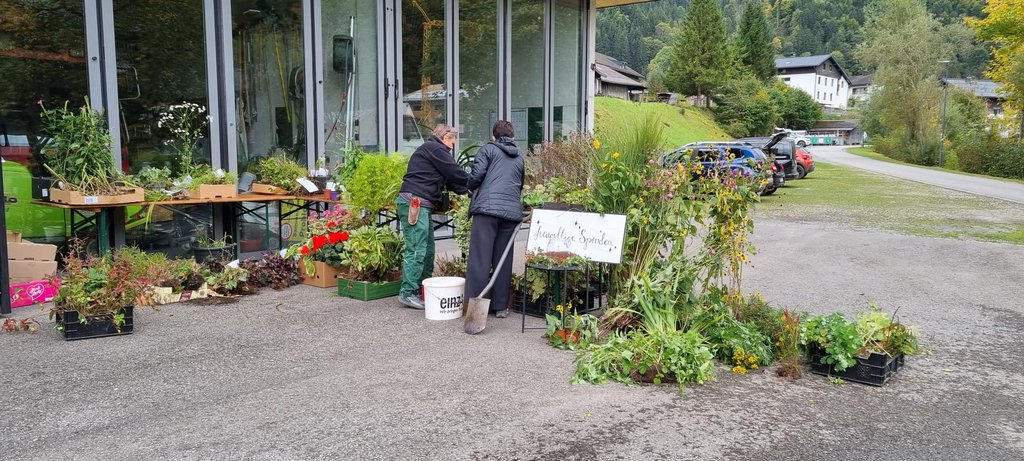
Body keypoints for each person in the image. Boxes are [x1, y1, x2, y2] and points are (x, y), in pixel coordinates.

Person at [396, 124, 470, 310]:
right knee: (417, 248)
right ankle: (408, 292)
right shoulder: (435, 148)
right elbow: (455, 172)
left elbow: (451, 181)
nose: (453, 145)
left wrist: (470, 191)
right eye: (452, 141)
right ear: (445, 138)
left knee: (428, 250)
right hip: (415, 202)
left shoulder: (433, 151)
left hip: (421, 204)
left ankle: (423, 290)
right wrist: (475, 181)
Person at [464, 120, 524, 318]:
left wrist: (469, 188)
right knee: (503, 259)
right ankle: (500, 307)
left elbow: (476, 176)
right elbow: (519, 184)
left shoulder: (488, 150)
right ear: (513, 137)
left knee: (480, 259)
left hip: (487, 211)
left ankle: (474, 307)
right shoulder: (519, 158)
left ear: (493, 136)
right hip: (510, 213)